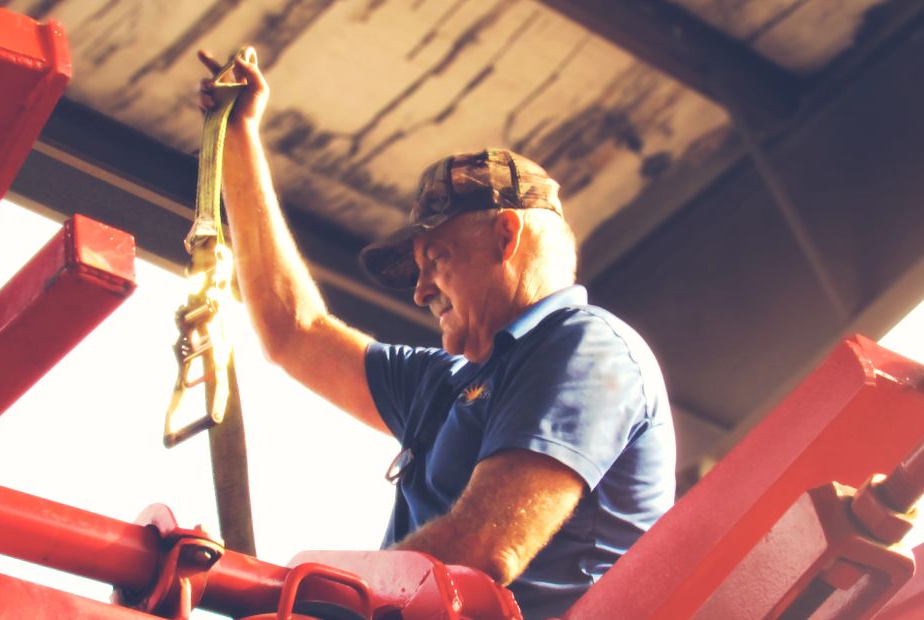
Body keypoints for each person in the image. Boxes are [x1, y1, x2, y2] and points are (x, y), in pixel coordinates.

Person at [197, 49, 676, 618]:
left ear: (506, 236)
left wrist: (297, 602)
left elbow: (483, 549)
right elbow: (295, 332)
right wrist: (238, 141)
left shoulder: (586, 350)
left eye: (437, 258)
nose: (421, 290)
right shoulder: (445, 383)